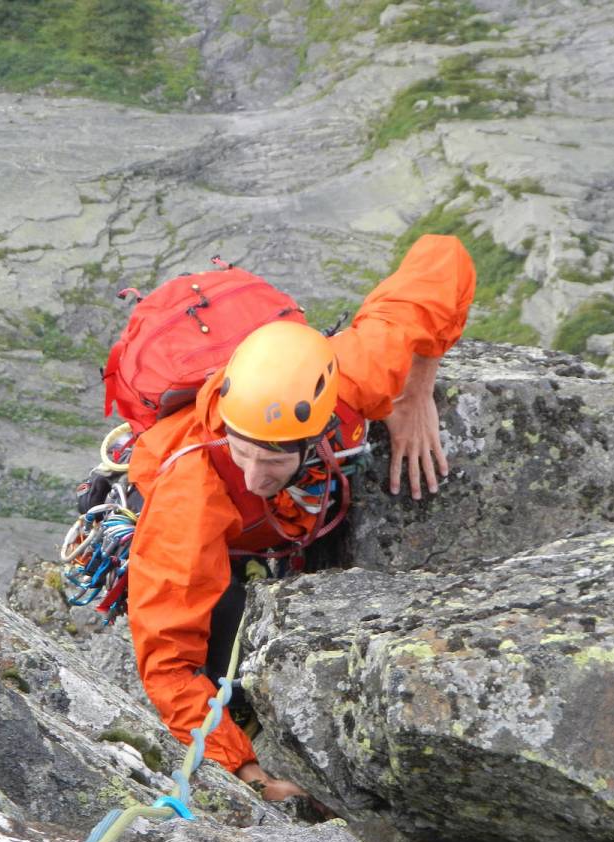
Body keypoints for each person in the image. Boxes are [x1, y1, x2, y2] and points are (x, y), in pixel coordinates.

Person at [124, 234, 476, 800]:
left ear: (318, 434)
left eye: (275, 458)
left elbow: (443, 256)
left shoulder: (352, 379)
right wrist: (249, 773)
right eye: (245, 453)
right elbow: (167, 662)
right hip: (206, 531)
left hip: (280, 503)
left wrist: (416, 388)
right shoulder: (191, 491)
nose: (257, 475)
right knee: (223, 640)